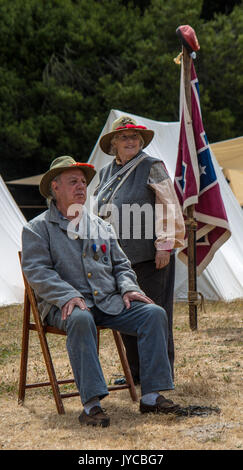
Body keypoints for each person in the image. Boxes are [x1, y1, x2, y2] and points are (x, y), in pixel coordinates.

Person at [21, 155, 180, 428]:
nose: (81, 187)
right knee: (82, 318)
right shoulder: (37, 228)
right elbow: (37, 271)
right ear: (55, 187)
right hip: (66, 306)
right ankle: (91, 405)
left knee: (153, 313)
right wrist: (67, 295)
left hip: (108, 301)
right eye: (73, 182)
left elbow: (121, 265)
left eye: (83, 182)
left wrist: (129, 288)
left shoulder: (101, 225)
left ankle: (152, 397)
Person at [94, 116, 185, 382]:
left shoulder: (152, 166)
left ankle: (159, 374)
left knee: (155, 314)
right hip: (117, 260)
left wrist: (165, 245)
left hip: (149, 255)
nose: (131, 140)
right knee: (126, 315)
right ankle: (136, 372)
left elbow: (168, 205)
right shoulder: (105, 174)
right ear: (114, 144)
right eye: (124, 137)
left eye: (135, 137)